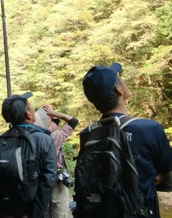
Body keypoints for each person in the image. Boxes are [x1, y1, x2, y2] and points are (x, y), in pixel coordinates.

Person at [81, 62, 172, 218]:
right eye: (120, 79)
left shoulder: (87, 134)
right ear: (119, 90)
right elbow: (169, 181)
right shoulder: (149, 129)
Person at [0, 92, 57, 218]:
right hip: (34, 212)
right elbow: (48, 181)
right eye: (31, 106)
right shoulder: (43, 139)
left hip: (8, 212)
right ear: (28, 114)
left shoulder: (1, 141)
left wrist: (2, 214)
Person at [35, 106, 78, 218]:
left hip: (38, 181)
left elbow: (55, 122)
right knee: (60, 212)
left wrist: (51, 115)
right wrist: (56, 113)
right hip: (55, 181)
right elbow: (73, 121)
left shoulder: (34, 136)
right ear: (46, 122)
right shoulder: (54, 137)